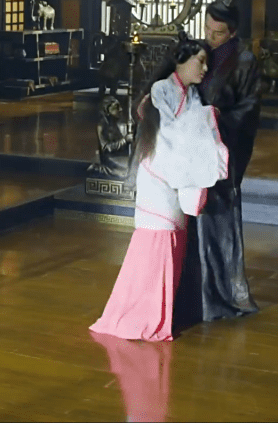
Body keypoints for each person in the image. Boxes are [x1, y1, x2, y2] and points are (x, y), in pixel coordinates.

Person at [89, 34, 230, 342]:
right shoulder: (161, 90)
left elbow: (191, 131)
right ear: (181, 60)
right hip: (159, 172)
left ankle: (160, 316)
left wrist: (204, 117)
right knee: (157, 241)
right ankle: (139, 316)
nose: (205, 68)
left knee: (174, 242)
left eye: (207, 62)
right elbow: (169, 132)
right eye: (200, 61)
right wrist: (205, 118)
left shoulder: (192, 96)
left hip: (177, 173)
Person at [173, 0, 263, 327]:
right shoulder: (200, 52)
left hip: (222, 148)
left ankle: (221, 295)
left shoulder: (245, 60)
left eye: (219, 33)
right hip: (193, 148)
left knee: (217, 220)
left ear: (233, 32)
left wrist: (215, 121)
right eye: (208, 29)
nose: (211, 37)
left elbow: (249, 108)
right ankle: (190, 293)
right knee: (190, 216)